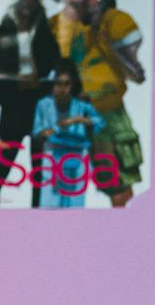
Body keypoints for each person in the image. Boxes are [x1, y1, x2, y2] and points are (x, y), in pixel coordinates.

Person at [51, 0, 146, 207]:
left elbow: (130, 44)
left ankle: (121, 227)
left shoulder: (108, 20)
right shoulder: (53, 27)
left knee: (118, 179)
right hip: (67, 114)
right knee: (63, 183)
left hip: (107, 110)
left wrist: (104, 11)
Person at [0, 0, 60, 208]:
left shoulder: (47, 39)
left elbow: (60, 74)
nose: (30, 2)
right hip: (13, 110)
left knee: (43, 181)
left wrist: (44, 87)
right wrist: (11, 85)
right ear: (16, 1)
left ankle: (42, 225)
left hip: (41, 112)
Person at [31, 63, 105, 209]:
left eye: (67, 84)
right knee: (50, 205)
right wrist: (57, 128)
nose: (62, 88)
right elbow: (37, 132)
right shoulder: (43, 104)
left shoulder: (80, 105)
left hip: (77, 155)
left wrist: (80, 120)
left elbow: (100, 121)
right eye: (58, 83)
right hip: (52, 155)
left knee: (75, 204)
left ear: (72, 85)